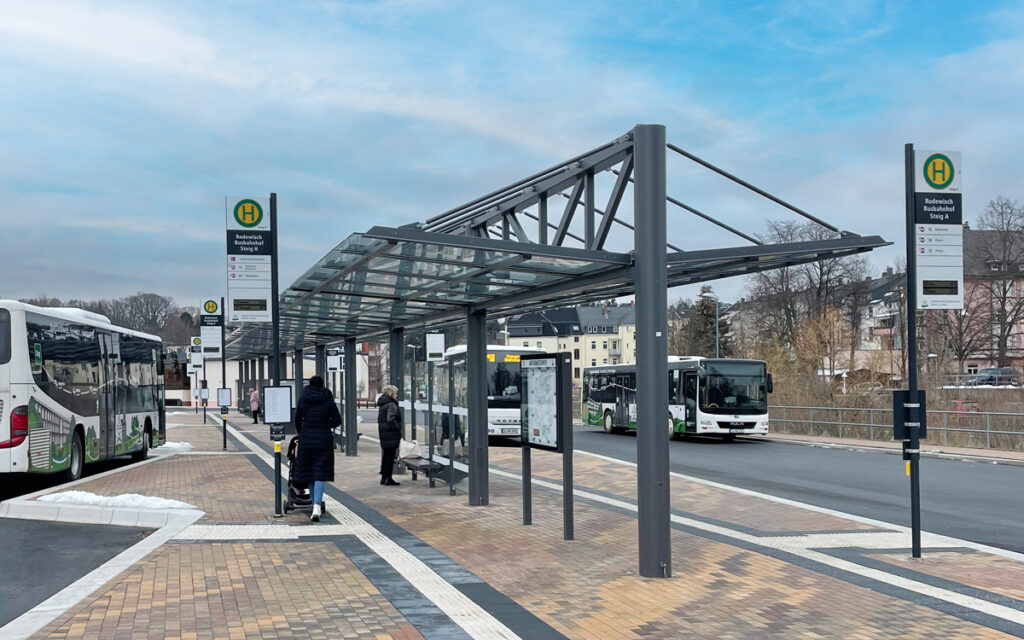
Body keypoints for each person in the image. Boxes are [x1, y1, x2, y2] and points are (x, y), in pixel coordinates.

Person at [293, 376, 341, 521]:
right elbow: (337, 420)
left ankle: (314, 505)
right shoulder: (327, 399)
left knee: (309, 472)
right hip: (323, 440)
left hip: (307, 439)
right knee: (320, 472)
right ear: (322, 385)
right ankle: (316, 505)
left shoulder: (303, 398)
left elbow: (297, 419)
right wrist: (327, 425)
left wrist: (302, 432)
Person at [376, 385, 403, 486]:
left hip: (384, 433)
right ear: (391, 393)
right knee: (390, 456)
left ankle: (384, 477)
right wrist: (397, 427)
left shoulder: (383, 404)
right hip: (391, 433)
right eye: (395, 393)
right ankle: (388, 478)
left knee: (386, 455)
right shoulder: (391, 404)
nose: (396, 395)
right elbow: (391, 419)